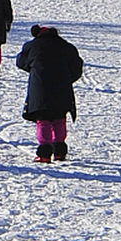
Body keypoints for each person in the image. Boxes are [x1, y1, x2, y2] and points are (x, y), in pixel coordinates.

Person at [15, 24, 84, 163]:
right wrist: (68, 79)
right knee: (59, 117)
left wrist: (34, 69)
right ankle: (59, 151)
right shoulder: (66, 46)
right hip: (62, 88)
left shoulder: (32, 46)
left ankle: (44, 152)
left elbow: (21, 61)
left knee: (43, 119)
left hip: (40, 87)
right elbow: (77, 67)